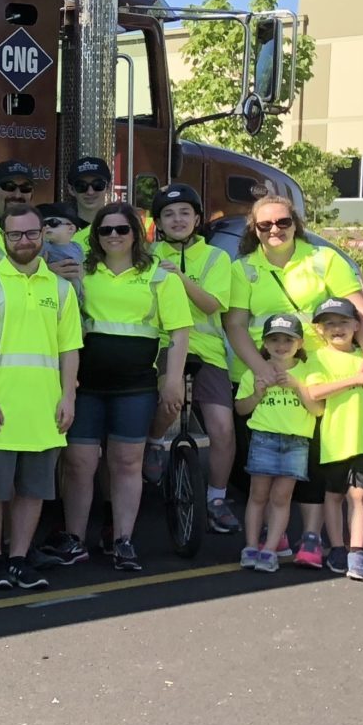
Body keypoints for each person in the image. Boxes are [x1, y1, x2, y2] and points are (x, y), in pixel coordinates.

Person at [224, 192, 363, 568]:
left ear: (296, 223)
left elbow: (359, 311)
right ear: (255, 230)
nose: (275, 230)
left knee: (313, 455)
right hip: (264, 367)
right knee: (260, 461)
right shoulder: (242, 268)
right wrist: (259, 369)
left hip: (319, 369)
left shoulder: (323, 259)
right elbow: (235, 325)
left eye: (283, 222)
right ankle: (272, 536)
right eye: (265, 225)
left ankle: (310, 536)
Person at [46, 201, 189, 574]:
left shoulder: (161, 275)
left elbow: (178, 330)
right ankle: (75, 539)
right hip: (86, 384)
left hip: (135, 385)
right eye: (105, 230)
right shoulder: (82, 271)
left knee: (126, 464)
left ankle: (123, 539)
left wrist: (173, 381)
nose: (113, 236)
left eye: (121, 230)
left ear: (135, 235)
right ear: (95, 236)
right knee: (78, 464)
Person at [0, 202, 83, 593]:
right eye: (15, 235)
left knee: (33, 489)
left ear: (42, 236)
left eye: (31, 233)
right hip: (1, 407)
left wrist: (68, 398)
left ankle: (18, 559)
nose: (24, 241)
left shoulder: (62, 290)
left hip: (44, 409)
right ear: (4, 238)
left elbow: (69, 350)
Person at [149, 183, 242, 534]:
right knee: (167, 404)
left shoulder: (217, 257)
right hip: (162, 344)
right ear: (158, 221)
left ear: (198, 218)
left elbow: (212, 305)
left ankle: (216, 498)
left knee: (222, 427)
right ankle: (155, 443)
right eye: (169, 214)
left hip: (207, 349)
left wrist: (179, 278)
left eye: (185, 213)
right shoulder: (146, 254)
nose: (177, 219)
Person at [306, 297, 363, 581]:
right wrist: (357, 380)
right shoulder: (319, 358)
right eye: (329, 323)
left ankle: (357, 551)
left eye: (343, 322)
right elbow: (316, 392)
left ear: (357, 326)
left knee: (358, 494)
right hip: (336, 439)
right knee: (333, 495)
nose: (336, 328)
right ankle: (336, 547)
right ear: (320, 330)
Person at [234, 313, 321, 573]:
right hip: (264, 437)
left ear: (300, 343)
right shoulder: (257, 371)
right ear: (264, 342)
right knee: (258, 494)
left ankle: (270, 550)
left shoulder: (307, 372)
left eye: (288, 340)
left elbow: (317, 410)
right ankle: (251, 546)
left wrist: (297, 386)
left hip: (296, 442)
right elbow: (240, 409)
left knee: (281, 497)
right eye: (274, 340)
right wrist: (257, 394)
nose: (281, 346)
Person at [38, 203, 86, 296]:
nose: (47, 227)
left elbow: (83, 269)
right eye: (43, 224)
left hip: (76, 294)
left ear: (71, 229)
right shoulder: (44, 246)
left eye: (53, 223)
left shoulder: (77, 247)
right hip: (54, 293)